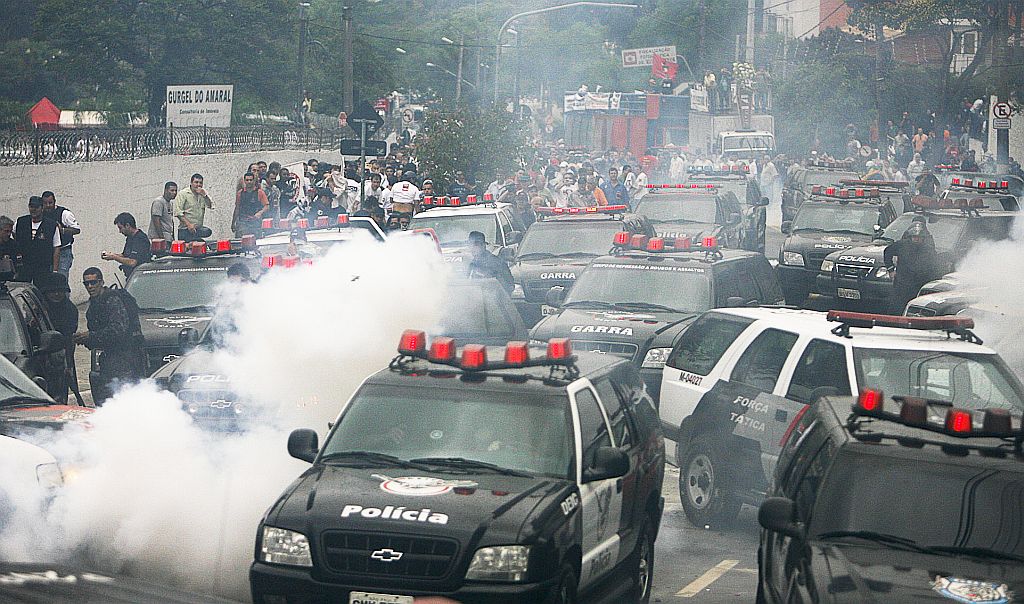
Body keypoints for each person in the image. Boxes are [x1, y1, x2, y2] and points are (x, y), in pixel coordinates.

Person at [73, 267, 145, 405]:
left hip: (126, 358)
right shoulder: (94, 304)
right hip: (110, 359)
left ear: (101, 282)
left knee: (125, 399)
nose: (90, 286)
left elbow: (117, 330)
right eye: (86, 283)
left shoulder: (112, 300)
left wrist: (90, 336)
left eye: (93, 282)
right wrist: (87, 339)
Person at [883, 219, 944, 313]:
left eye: (919, 237)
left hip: (919, 284)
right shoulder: (902, 245)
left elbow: (934, 265)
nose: (916, 239)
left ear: (923, 237)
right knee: (897, 308)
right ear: (910, 236)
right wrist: (891, 270)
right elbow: (887, 252)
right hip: (902, 283)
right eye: (914, 237)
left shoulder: (928, 249)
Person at [37, 272, 78, 404]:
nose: (56, 295)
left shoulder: (70, 310)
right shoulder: (38, 309)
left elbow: (69, 340)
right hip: (38, 360)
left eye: (60, 291)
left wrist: (68, 365)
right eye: (52, 291)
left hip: (60, 360)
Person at [15, 196, 61, 284]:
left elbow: (56, 247)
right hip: (24, 265)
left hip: (43, 265)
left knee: (42, 290)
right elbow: (13, 235)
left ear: (42, 208)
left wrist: (55, 270)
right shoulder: (21, 221)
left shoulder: (51, 225)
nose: (34, 209)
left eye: (36, 207)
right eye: (31, 207)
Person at [41, 191, 81, 277]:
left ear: (54, 201)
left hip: (63, 251)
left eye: (50, 203)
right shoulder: (40, 214)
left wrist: (62, 230)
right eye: (45, 203)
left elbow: (77, 229)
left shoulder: (64, 213)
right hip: (46, 253)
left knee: (61, 279)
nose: (48, 205)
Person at [174, 173, 214, 242]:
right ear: (191, 183)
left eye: (200, 183)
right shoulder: (183, 194)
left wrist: (205, 195)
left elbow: (210, 206)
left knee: (208, 232)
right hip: (185, 230)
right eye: (196, 182)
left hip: (197, 230)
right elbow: (178, 212)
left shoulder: (202, 194)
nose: (198, 185)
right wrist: (189, 225)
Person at [233, 171, 270, 237]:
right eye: (247, 180)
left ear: (254, 181)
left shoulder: (260, 192)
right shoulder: (240, 193)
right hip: (243, 223)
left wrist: (260, 213)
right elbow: (237, 208)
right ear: (244, 181)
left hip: (255, 223)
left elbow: (266, 206)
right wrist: (233, 222)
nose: (249, 182)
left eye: (251, 180)